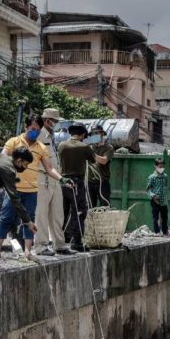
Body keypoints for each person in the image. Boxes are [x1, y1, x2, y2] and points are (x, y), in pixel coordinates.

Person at [0, 115, 68, 260]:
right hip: (13, 189)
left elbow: (49, 168)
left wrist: (61, 179)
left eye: (38, 130)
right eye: (32, 129)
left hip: (32, 191)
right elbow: (2, 158)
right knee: (5, 218)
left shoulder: (41, 147)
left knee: (30, 221)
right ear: (26, 127)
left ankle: (27, 251)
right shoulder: (14, 141)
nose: (35, 132)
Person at [59, 123, 107, 251]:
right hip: (77, 182)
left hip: (63, 182)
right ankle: (77, 242)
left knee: (63, 212)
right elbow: (92, 160)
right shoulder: (84, 146)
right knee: (79, 212)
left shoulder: (61, 145)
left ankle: (60, 239)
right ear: (83, 134)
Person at [33, 108, 71, 256]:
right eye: (55, 121)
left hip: (55, 178)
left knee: (57, 214)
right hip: (42, 177)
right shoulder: (39, 135)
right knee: (41, 214)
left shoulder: (52, 136)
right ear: (48, 121)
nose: (56, 124)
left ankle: (59, 244)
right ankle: (41, 246)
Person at [87, 123, 115, 207]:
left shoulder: (108, 148)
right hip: (89, 182)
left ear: (102, 134)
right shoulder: (89, 147)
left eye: (97, 133)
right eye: (93, 134)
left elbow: (104, 161)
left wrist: (90, 153)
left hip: (102, 182)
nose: (94, 135)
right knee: (90, 208)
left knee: (105, 207)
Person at [145, 157, 170, 237]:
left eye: (163, 167)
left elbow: (165, 186)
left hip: (163, 201)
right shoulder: (152, 177)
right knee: (155, 217)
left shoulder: (165, 176)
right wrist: (153, 196)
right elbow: (147, 190)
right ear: (155, 166)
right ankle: (156, 232)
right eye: (160, 167)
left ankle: (165, 231)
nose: (162, 168)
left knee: (164, 217)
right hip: (155, 201)